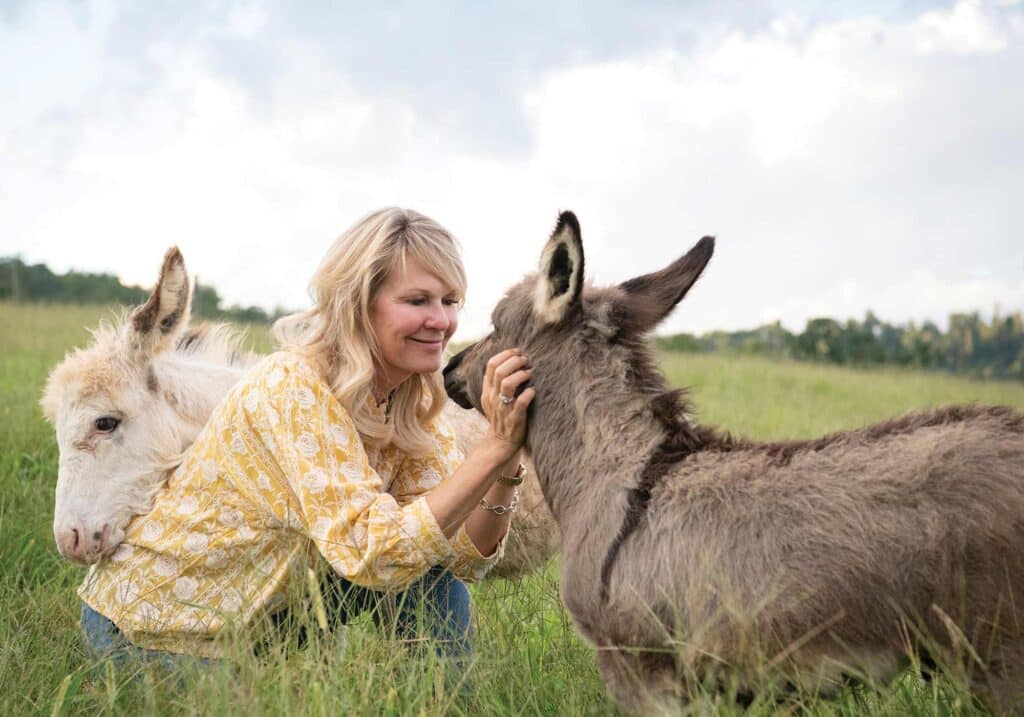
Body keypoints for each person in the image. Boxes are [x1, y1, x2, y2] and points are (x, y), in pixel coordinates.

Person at [78, 207, 535, 661]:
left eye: (450, 301)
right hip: (161, 624)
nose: (441, 321)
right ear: (357, 302)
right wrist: (492, 446)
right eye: (417, 301)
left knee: (431, 572)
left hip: (271, 611)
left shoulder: (412, 394)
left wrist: (508, 448)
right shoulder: (294, 385)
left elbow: (464, 555)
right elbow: (369, 550)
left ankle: (448, 709)